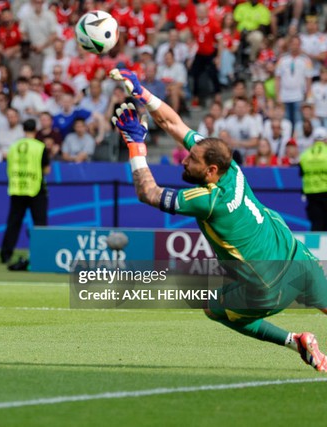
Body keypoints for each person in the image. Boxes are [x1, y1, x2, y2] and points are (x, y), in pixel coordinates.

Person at [109, 68, 327, 371]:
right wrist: (141, 92)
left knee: (213, 309)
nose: (185, 159)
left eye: (192, 160)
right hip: (296, 257)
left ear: (211, 170)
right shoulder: (231, 167)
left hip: (267, 287)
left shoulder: (210, 201)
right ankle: (302, 343)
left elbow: (149, 193)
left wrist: (135, 145)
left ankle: (295, 340)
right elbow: (174, 124)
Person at [0, 119, 50, 266]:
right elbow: (46, 169)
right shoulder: (40, 147)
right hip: (35, 188)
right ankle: (42, 254)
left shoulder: (14, 147)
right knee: (40, 223)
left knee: (13, 223)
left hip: (17, 188)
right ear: (36, 129)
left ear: (23, 129)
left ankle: (5, 255)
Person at [299, 128, 327, 232]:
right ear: (325, 139)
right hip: (326, 192)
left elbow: (301, 173)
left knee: (316, 223)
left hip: (311, 194)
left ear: (314, 140)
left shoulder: (305, 155)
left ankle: (315, 248)